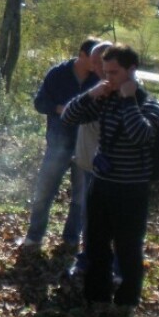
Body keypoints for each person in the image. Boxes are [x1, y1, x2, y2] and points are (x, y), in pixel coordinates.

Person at [61, 44, 159, 317]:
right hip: (102, 185)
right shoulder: (105, 97)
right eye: (105, 72)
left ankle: (126, 304)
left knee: (128, 248)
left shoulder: (149, 104)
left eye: (114, 72)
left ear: (132, 70)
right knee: (95, 245)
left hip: (131, 190)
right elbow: (69, 117)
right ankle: (97, 298)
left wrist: (129, 101)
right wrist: (90, 94)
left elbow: (141, 135)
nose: (109, 78)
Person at [21, 38, 99, 251]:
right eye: (94, 59)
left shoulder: (99, 79)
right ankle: (34, 238)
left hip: (86, 146)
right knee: (44, 192)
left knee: (80, 198)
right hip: (58, 144)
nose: (97, 63)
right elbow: (39, 103)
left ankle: (71, 239)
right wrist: (58, 108)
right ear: (81, 55)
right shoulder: (58, 74)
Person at [69, 41, 114, 277]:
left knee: (110, 220)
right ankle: (87, 259)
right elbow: (71, 114)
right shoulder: (95, 86)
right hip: (86, 162)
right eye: (93, 61)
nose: (94, 66)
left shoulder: (122, 90)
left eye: (99, 62)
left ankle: (113, 268)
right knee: (88, 215)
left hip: (110, 169)